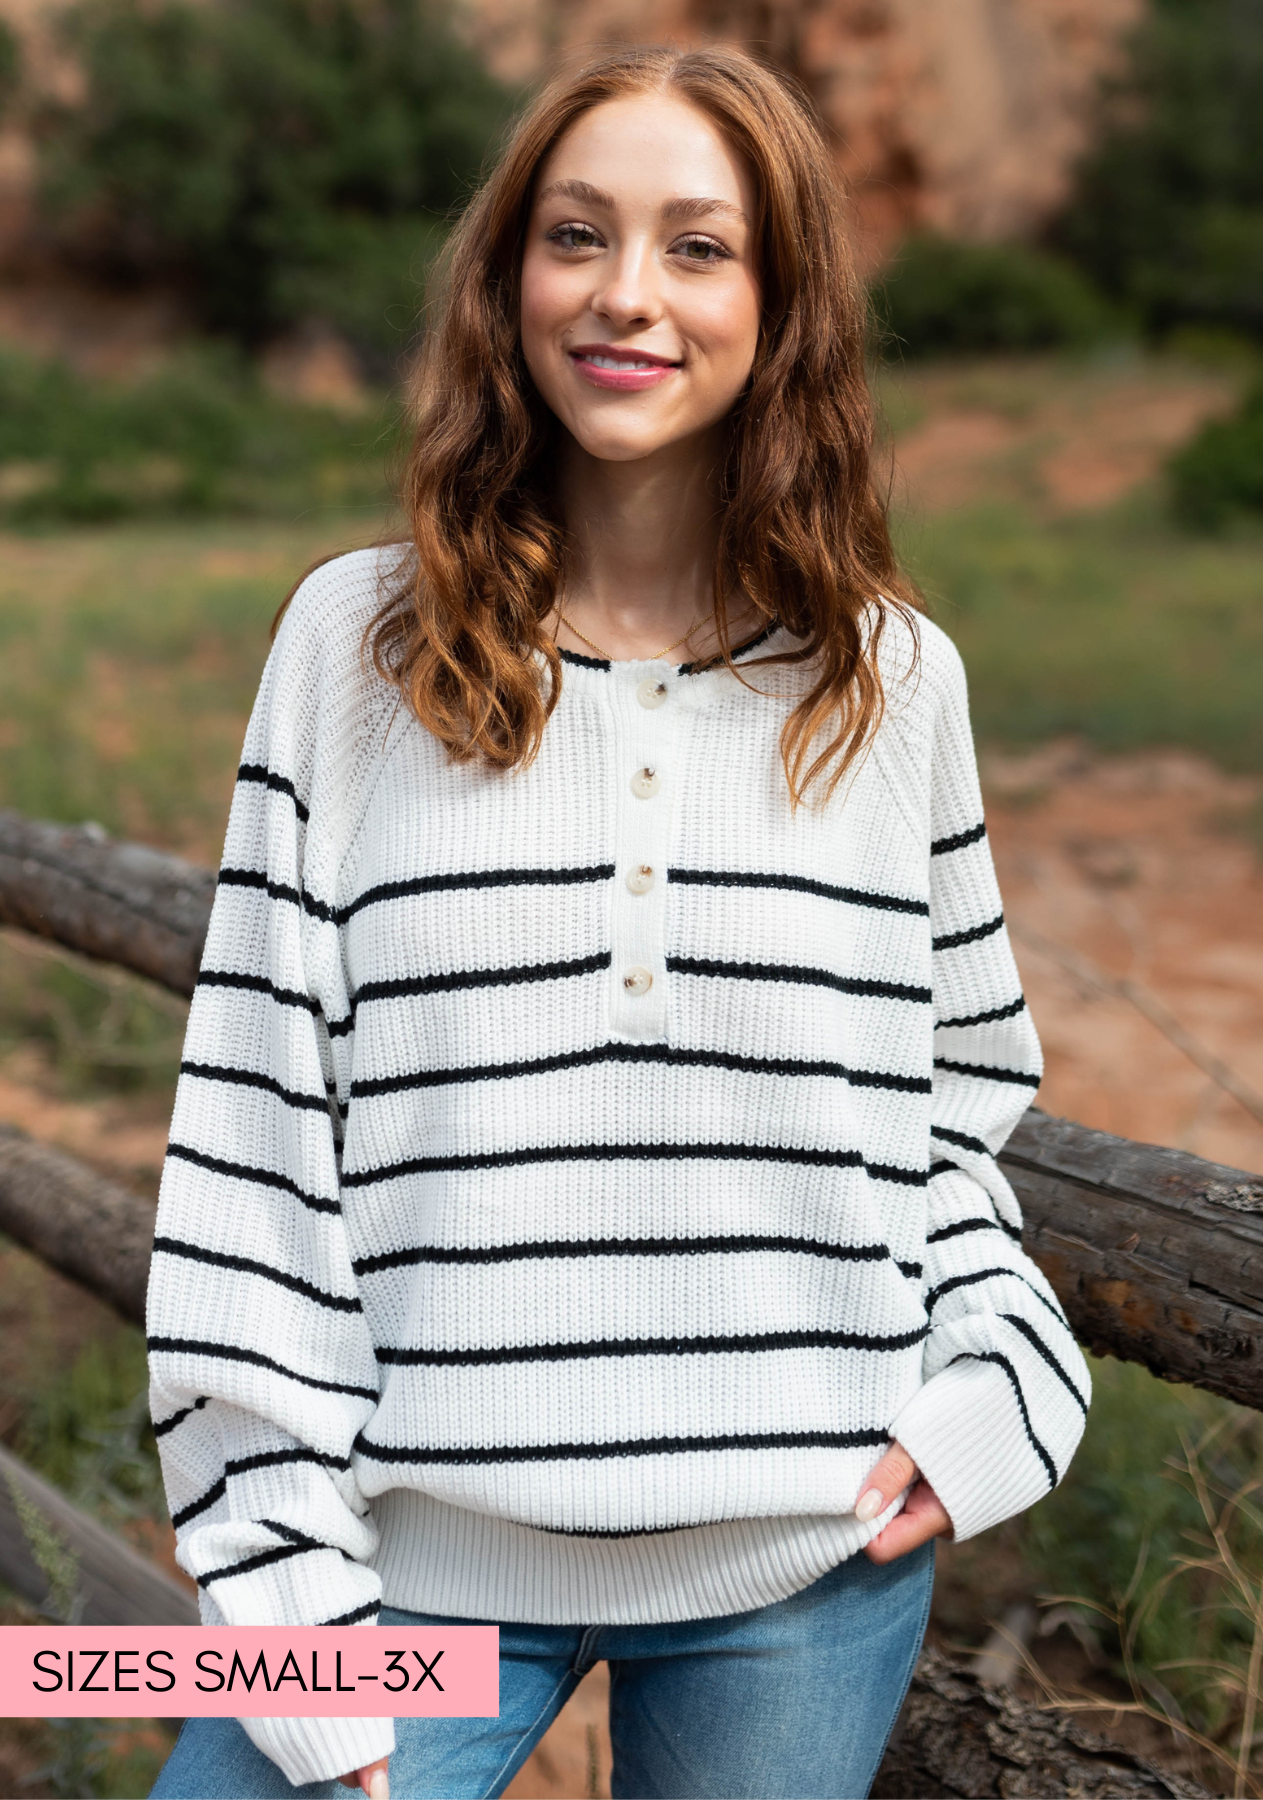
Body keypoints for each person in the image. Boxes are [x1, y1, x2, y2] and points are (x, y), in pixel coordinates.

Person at [146, 43, 1090, 1800]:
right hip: (414, 1561)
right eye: (576, 235)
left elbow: (959, 1092)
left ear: (782, 299)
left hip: (804, 1568)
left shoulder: (891, 682)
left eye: (697, 247)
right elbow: (258, 1137)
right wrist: (281, 1576)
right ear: (508, 277)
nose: (625, 295)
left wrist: (1001, 1377)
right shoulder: (352, 656)